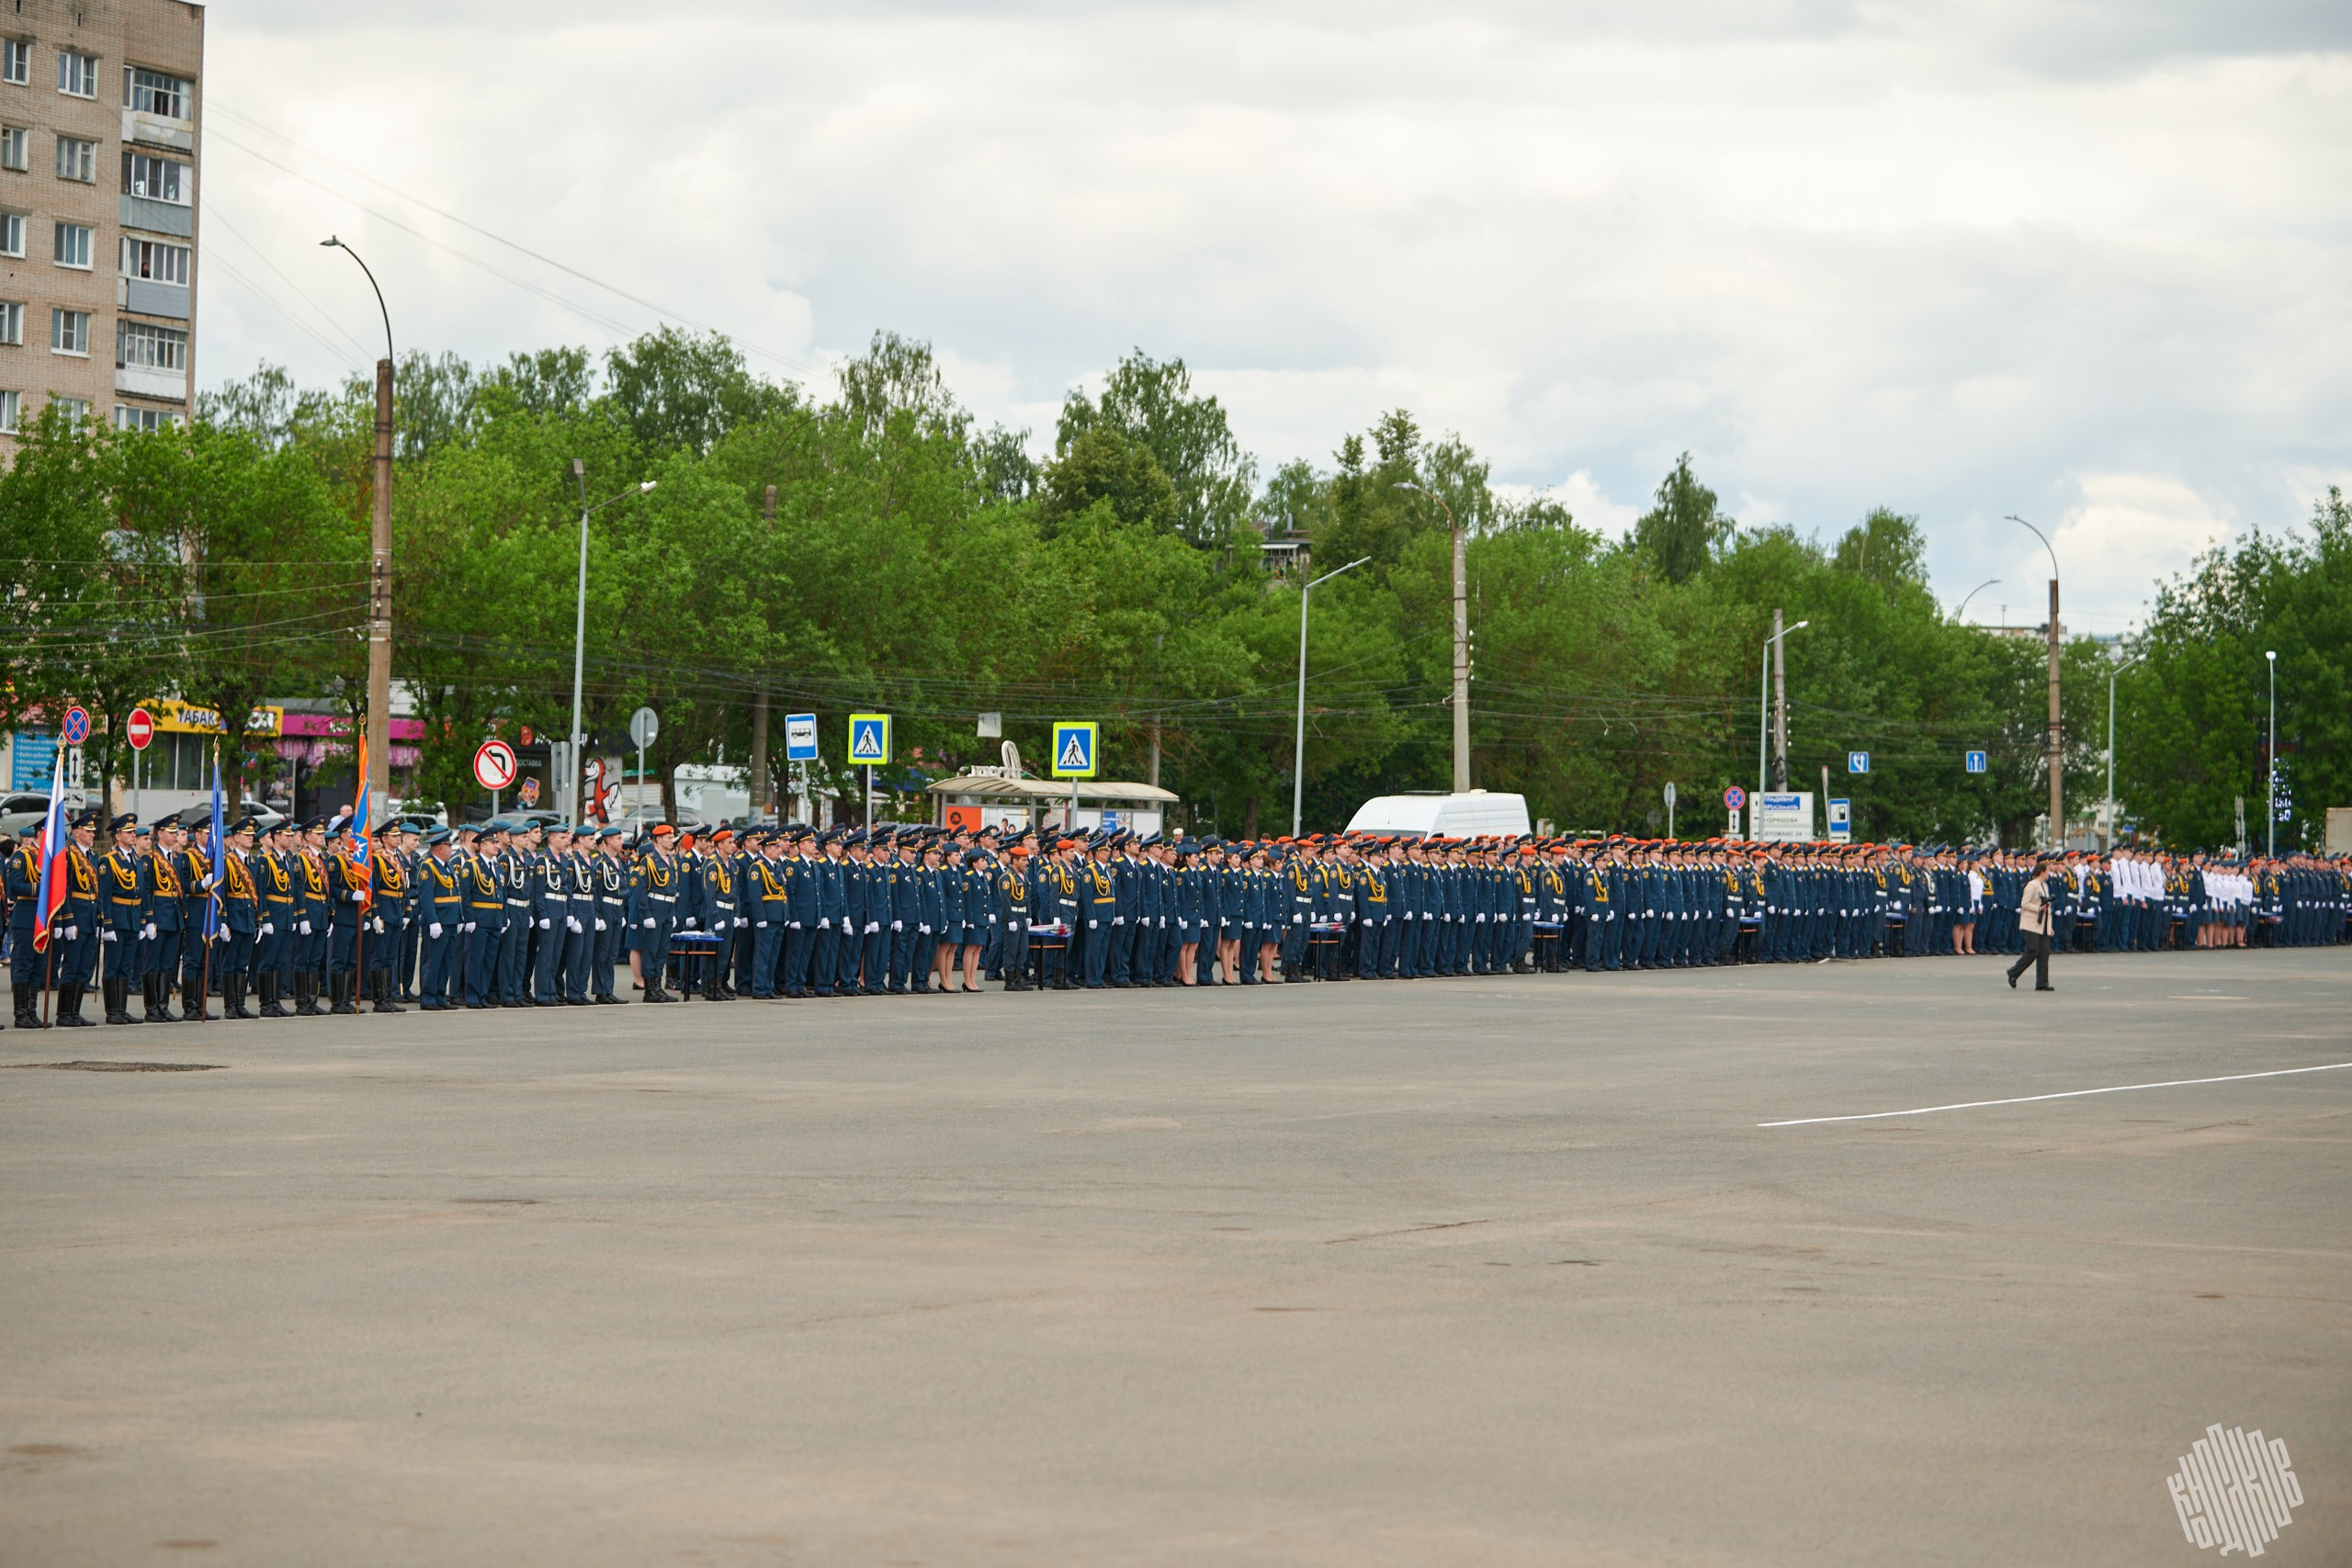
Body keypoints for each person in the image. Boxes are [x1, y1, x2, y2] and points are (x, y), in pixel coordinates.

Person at [2007, 854, 2056, 992]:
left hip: (2043, 923)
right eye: (2047, 871)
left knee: (2044, 953)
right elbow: (2024, 903)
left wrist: (2049, 926)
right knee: (2033, 950)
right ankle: (2013, 972)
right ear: (2042, 872)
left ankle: (2042, 982)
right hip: (2031, 922)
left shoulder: (2044, 885)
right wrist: (2038, 908)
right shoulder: (2032, 885)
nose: (2049, 874)